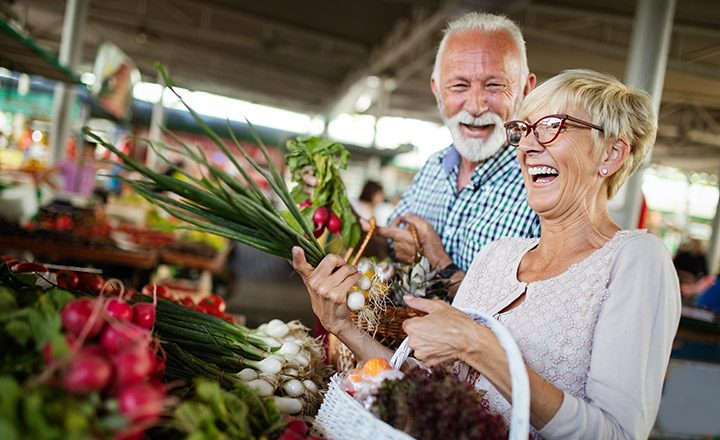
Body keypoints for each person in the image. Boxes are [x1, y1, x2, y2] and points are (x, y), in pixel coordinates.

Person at [292, 69, 681, 438]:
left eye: (551, 127)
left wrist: (480, 346)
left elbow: (616, 434)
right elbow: (434, 394)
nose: (528, 145)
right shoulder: (497, 256)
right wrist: (343, 326)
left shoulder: (635, 260)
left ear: (611, 155)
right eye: (524, 130)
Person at [374, 12, 540, 296]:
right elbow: (388, 246)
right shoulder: (434, 166)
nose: (476, 106)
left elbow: (528, 309)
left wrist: (436, 260)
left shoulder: (541, 184)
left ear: (525, 89)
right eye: (459, 86)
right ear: (437, 89)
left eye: (494, 85)